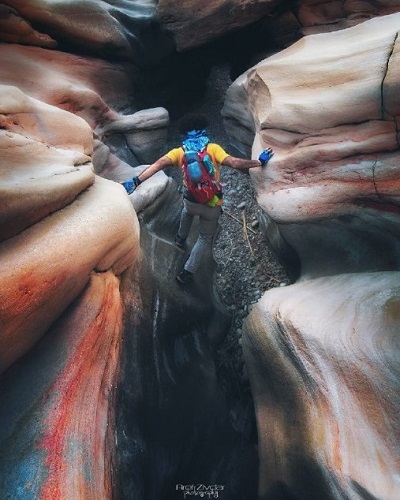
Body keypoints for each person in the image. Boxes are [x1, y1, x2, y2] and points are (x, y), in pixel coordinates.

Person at [121, 113, 273, 284]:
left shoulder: (179, 152)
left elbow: (157, 165)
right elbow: (235, 163)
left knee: (186, 211)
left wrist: (135, 181)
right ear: (203, 130)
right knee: (205, 238)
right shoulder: (213, 149)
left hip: (191, 200)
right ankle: (186, 272)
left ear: (185, 134)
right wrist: (259, 162)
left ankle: (180, 239)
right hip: (212, 203)